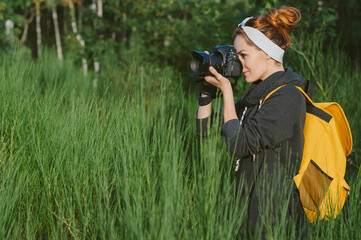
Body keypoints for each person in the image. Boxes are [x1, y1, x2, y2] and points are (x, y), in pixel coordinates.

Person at [196, 6, 307, 238]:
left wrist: (226, 90)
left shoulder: (288, 96)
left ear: (267, 52)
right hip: (245, 210)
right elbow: (204, 131)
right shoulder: (254, 96)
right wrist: (206, 93)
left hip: (275, 217)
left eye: (243, 55)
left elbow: (239, 145)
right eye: (236, 57)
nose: (239, 64)